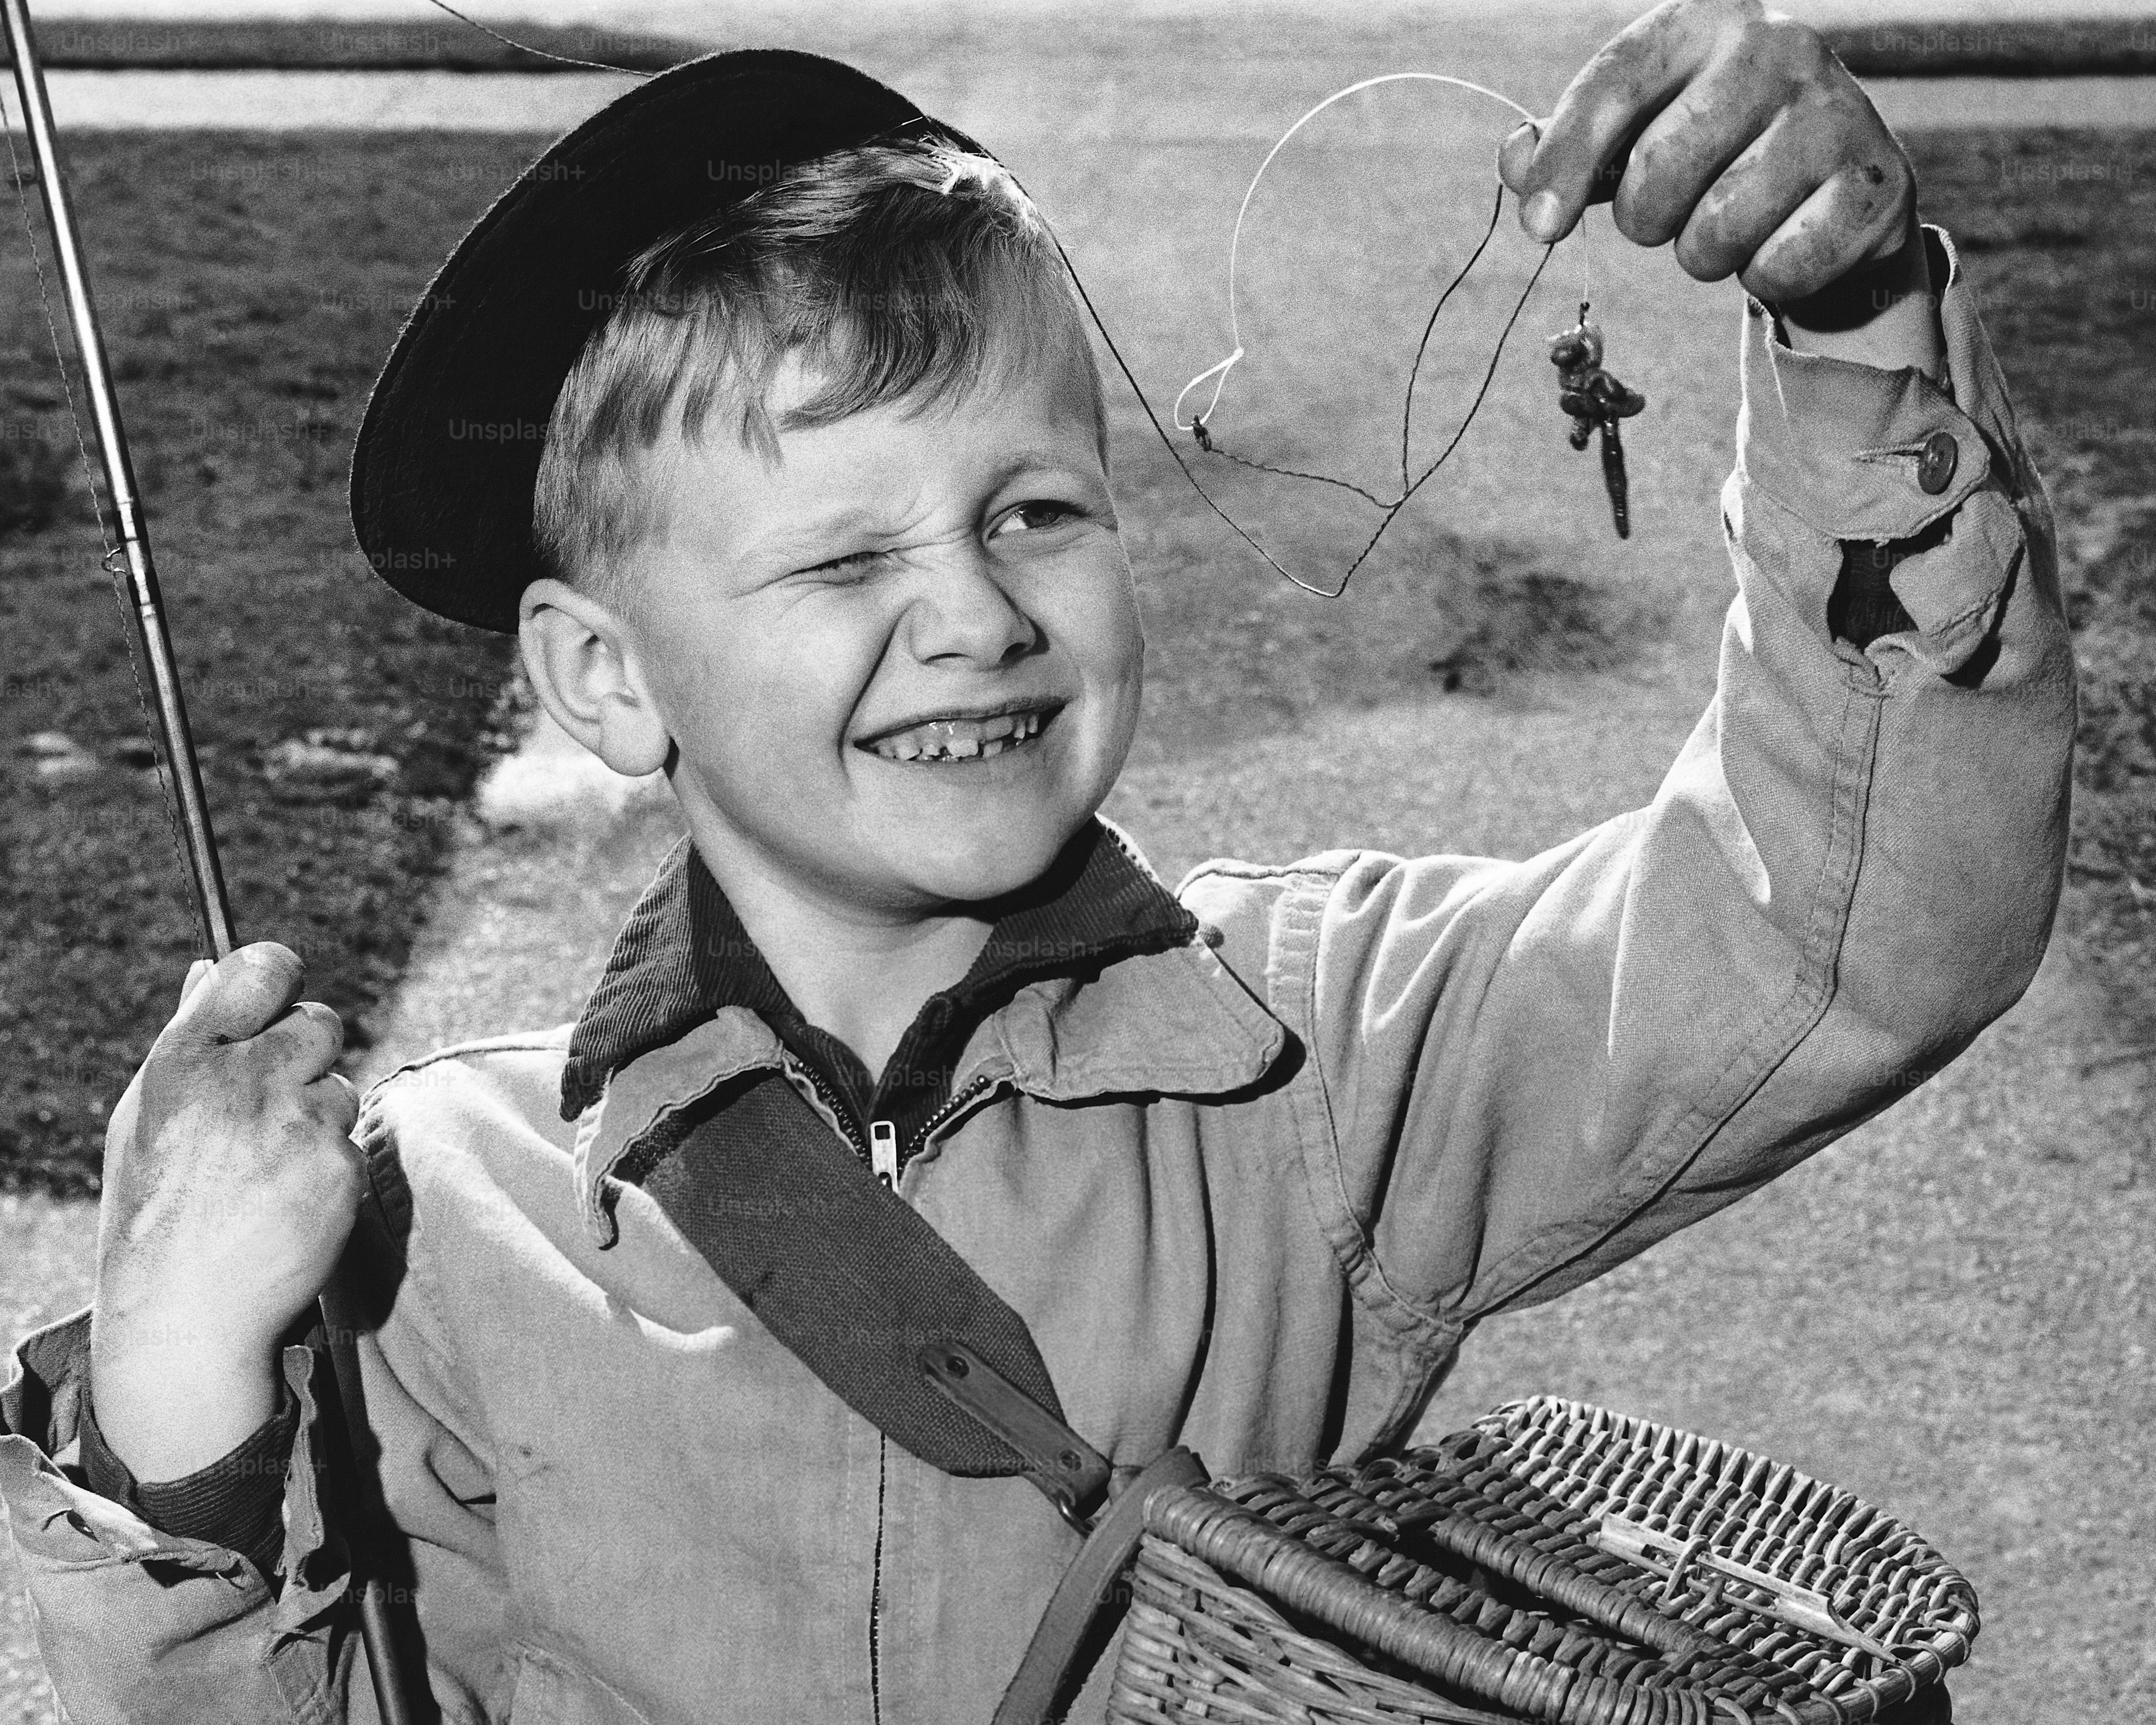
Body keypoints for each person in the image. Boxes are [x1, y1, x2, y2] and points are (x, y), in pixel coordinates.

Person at [0, 3, 2072, 1721]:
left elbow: (1854, 932)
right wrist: (178, 1372)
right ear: (608, 680)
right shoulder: (429, 1224)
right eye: (839, 554)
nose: (978, 616)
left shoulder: (1322, 1053)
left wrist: (1859, 326)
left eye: (1037, 512)